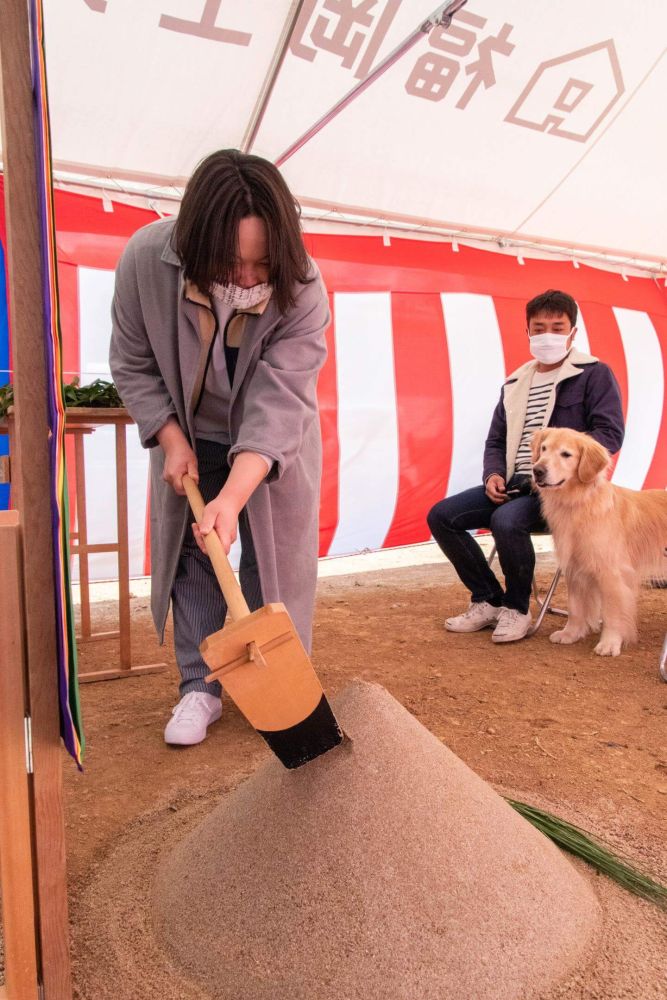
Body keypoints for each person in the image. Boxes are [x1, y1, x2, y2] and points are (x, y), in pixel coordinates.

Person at [109, 149, 329, 745]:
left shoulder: (303, 285)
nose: (251, 277)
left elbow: (282, 400)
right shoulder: (144, 261)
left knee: (269, 558)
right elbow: (132, 362)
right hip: (189, 431)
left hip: (272, 446)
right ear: (197, 245)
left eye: (264, 264)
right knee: (194, 555)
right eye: (235, 263)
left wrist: (232, 495)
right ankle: (199, 687)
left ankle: (276, 683)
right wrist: (171, 438)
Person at [427, 289, 625, 643]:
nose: (547, 333)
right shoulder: (515, 383)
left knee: (507, 520)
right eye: (539, 327)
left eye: (557, 326)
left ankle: (518, 608)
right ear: (528, 332)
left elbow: (609, 434)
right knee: (442, 516)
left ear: (572, 332)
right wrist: (493, 475)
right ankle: (489, 599)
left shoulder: (594, 374)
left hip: (563, 493)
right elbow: (495, 440)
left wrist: (569, 464)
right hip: (516, 483)